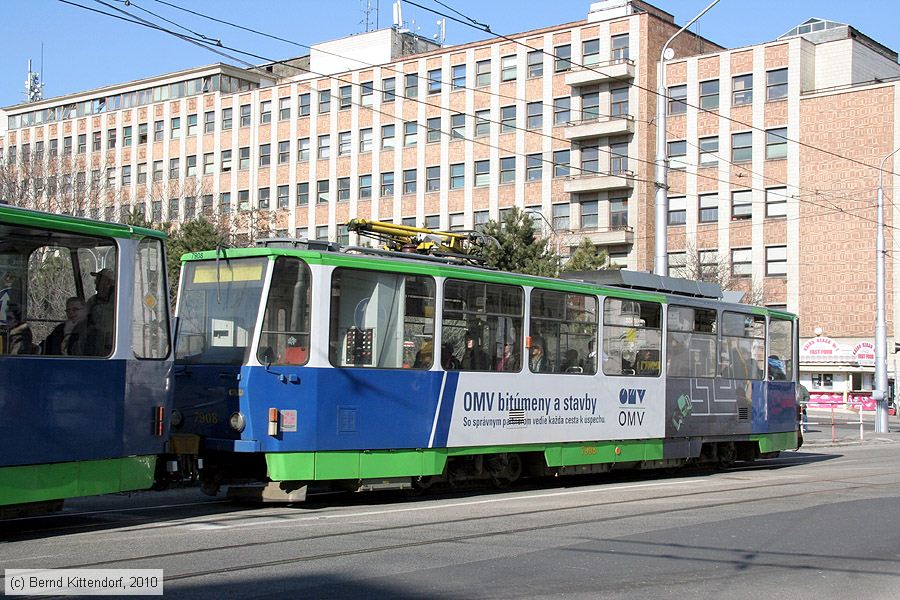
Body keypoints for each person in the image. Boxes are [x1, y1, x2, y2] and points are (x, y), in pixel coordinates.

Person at [84, 267, 116, 356]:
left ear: (108, 283)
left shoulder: (117, 301)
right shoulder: (93, 300)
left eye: (99, 280)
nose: (95, 282)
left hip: (108, 346)